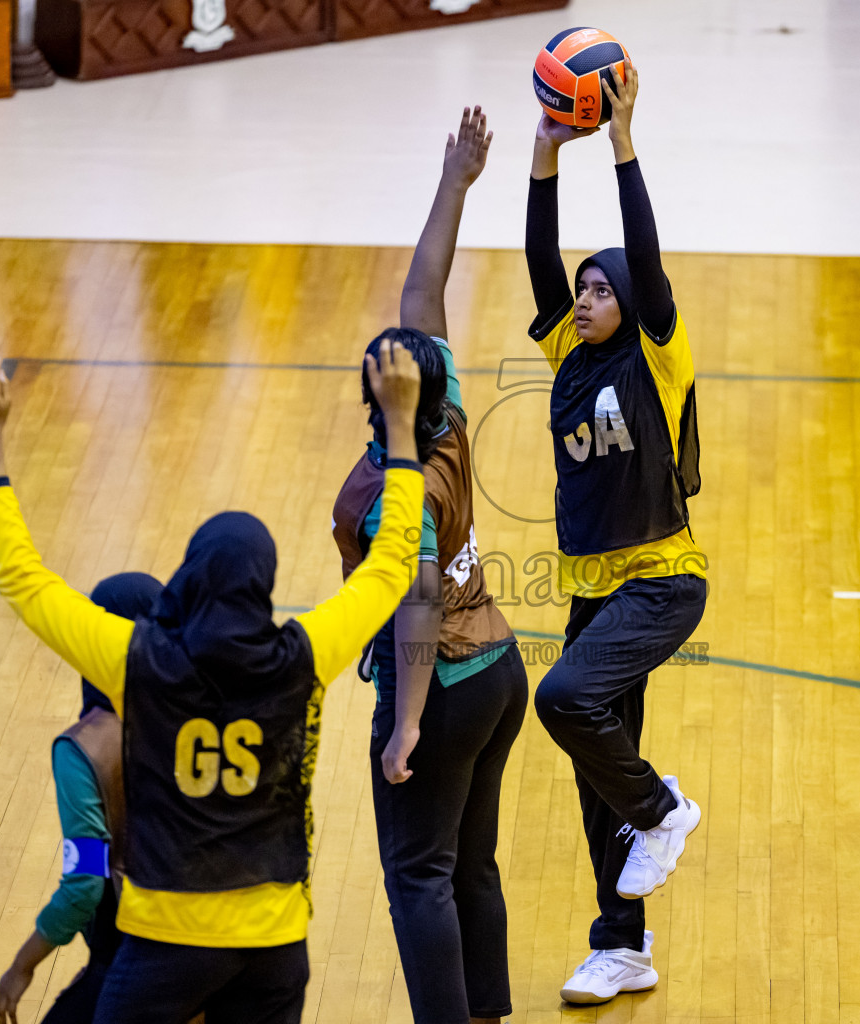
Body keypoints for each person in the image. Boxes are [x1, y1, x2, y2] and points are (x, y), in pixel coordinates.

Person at [0, 346, 425, 1024]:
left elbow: (25, 582)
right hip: (274, 941)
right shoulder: (304, 657)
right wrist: (402, 426)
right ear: (262, 585)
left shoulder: (136, 660)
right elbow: (392, 566)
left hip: (165, 945)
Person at [330, 106, 527, 1024]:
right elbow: (424, 295)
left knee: (418, 878)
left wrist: (404, 726)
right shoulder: (441, 415)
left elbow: (411, 605)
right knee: (470, 866)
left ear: (383, 397)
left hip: (439, 686)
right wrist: (455, 183)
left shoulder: (393, 496)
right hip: (498, 670)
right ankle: (486, 1013)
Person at [523, 60, 708, 1005]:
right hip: (593, 590)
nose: (587, 297)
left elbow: (647, 250)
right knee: (593, 771)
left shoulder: (656, 356)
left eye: (602, 289)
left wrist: (623, 145)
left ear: (631, 306)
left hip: (663, 583)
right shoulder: (566, 353)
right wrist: (544, 158)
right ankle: (622, 945)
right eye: (584, 288)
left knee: (562, 701)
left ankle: (662, 808)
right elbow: (537, 263)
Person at [0, 572, 163, 1024]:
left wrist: (21, 966)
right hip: (215, 961)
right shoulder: (201, 719)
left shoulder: (83, 751)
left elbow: (84, 885)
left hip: (131, 964)